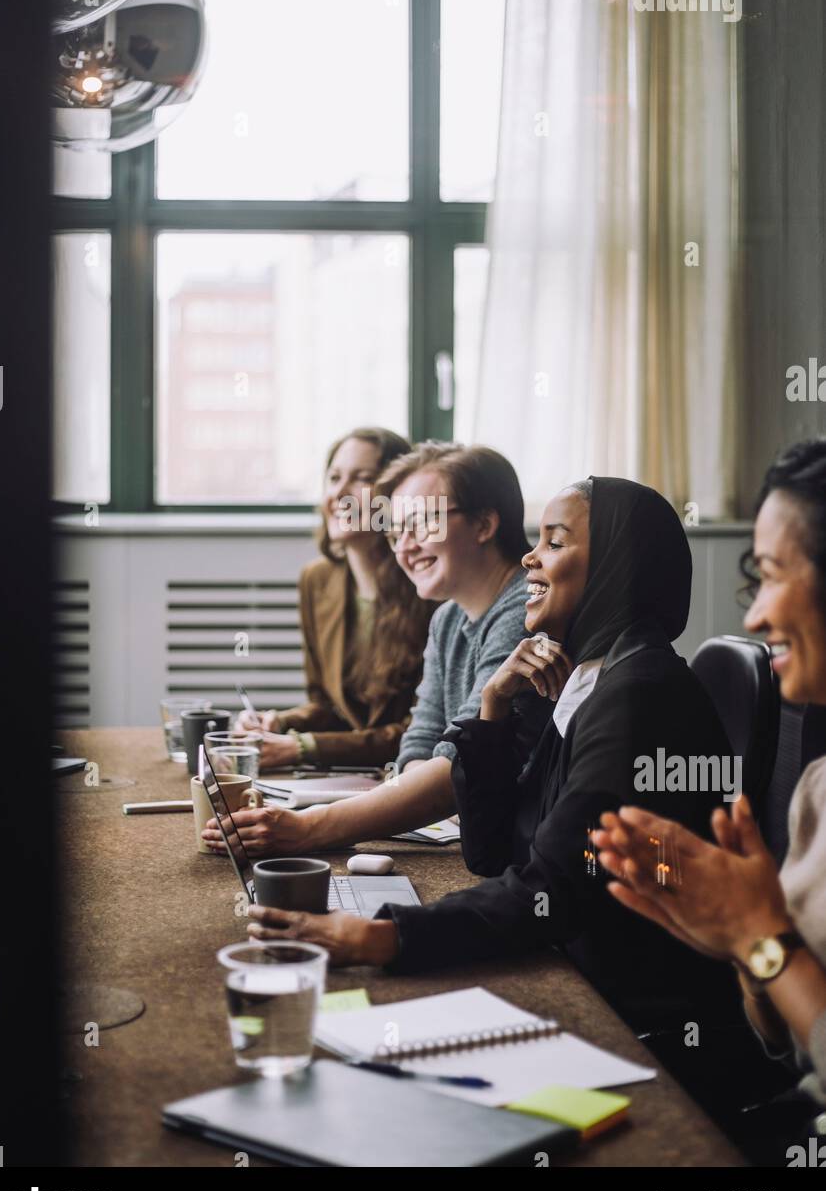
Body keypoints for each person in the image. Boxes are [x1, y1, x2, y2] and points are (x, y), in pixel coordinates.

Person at [244, 475, 741, 1036]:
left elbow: (549, 891)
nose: (531, 556)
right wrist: (494, 707)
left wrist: (382, 935)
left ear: (615, 568)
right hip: (574, 973)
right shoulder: (585, 683)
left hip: (635, 1019)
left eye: (555, 543)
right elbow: (495, 851)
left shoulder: (638, 696)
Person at [591, 439, 826, 1158]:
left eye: (770, 576)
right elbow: (789, 1046)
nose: (753, 616)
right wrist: (740, 946)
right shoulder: (816, 791)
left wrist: (764, 937)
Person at [204, 442, 535, 850]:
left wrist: (310, 828)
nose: (405, 547)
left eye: (422, 524)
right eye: (396, 532)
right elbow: (422, 739)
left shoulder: (526, 611)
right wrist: (424, 793)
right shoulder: (448, 618)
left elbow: (461, 765)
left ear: (484, 524)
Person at [234, 428, 434, 770]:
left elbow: (423, 731)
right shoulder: (317, 581)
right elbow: (328, 707)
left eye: (362, 479)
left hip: (410, 777)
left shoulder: (431, 585)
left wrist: (302, 747)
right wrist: (279, 723)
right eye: (334, 478)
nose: (340, 494)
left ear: (396, 496)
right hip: (348, 778)